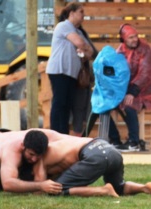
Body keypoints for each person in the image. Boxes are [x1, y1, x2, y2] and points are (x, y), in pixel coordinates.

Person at [35, 130, 151, 198]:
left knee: (55, 190)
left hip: (95, 154)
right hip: (111, 150)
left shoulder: (42, 157)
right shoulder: (63, 141)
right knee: (119, 188)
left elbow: (41, 186)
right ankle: (144, 187)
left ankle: (103, 190)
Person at [46, 2, 94, 135]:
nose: (83, 15)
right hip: (59, 70)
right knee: (59, 102)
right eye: (81, 12)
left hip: (71, 73)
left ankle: (63, 133)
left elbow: (90, 52)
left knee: (67, 105)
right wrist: (82, 46)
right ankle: (55, 132)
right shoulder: (63, 26)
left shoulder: (78, 31)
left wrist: (83, 47)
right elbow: (80, 43)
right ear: (72, 13)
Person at [108, 24, 151, 152]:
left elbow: (146, 75)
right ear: (123, 39)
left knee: (129, 106)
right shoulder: (120, 51)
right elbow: (115, 71)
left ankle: (134, 142)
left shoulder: (146, 49)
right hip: (124, 89)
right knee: (103, 106)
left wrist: (132, 92)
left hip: (143, 90)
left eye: (135, 36)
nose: (134, 39)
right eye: (130, 37)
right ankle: (115, 140)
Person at [72, 23, 97, 137]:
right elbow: (91, 51)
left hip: (81, 76)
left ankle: (80, 134)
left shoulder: (78, 33)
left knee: (82, 106)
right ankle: (79, 134)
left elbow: (92, 52)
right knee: (81, 107)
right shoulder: (77, 33)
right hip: (80, 76)